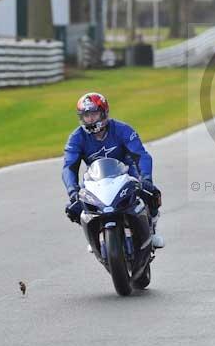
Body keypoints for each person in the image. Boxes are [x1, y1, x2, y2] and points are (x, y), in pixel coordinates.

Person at [62, 92, 164, 248]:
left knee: (151, 193)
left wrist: (146, 179)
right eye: (86, 115)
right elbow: (69, 167)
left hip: (126, 175)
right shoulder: (76, 138)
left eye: (94, 114)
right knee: (74, 208)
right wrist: (72, 191)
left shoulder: (123, 129)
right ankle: (94, 237)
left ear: (104, 112)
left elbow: (141, 155)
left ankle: (152, 229)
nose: (90, 119)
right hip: (95, 180)